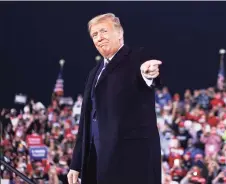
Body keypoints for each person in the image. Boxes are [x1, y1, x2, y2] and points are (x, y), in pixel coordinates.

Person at [67, 13, 162, 184]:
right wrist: (76, 163)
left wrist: (148, 74)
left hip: (130, 163)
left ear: (119, 33)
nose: (99, 38)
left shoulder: (136, 57)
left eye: (103, 31)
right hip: (96, 161)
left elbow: (149, 72)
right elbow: (86, 120)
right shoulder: (93, 73)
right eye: (94, 35)